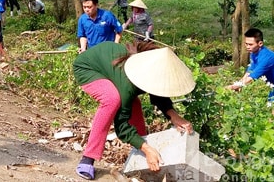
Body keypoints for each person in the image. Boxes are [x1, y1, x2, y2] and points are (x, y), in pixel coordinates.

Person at [73, 41, 195, 180]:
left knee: (133, 103)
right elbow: (122, 126)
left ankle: (142, 156)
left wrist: (174, 116)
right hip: (88, 67)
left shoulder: (151, 72)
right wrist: (147, 149)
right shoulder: (128, 83)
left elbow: (158, 93)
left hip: (112, 68)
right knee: (112, 99)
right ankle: (88, 159)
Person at [226, 28, 274, 116]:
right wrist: (239, 83)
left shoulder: (267, 58)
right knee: (265, 114)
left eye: (250, 44)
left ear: (260, 43)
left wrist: (232, 87)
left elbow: (252, 77)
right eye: (246, 44)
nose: (247, 47)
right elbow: (250, 71)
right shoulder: (253, 53)